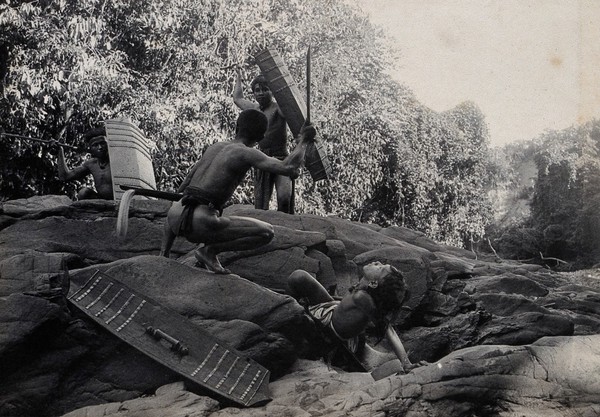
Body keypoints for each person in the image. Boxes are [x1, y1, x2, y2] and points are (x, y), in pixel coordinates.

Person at [160, 108, 315, 274]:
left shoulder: (215, 147)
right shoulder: (247, 153)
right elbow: (288, 167)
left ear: (236, 127)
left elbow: (186, 183)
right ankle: (209, 252)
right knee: (267, 232)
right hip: (201, 221)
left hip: (175, 215)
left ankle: (163, 254)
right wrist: (304, 141)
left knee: (182, 203)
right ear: (261, 137)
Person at [286, 261, 421, 374]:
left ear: (374, 283)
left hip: (328, 329)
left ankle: (284, 313)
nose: (377, 262)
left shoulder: (364, 298)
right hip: (331, 308)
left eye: (379, 268)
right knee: (301, 277)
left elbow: (388, 329)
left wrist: (406, 363)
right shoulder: (364, 288)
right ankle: (290, 305)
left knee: (298, 277)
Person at [233, 69, 295, 213]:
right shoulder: (254, 109)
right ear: (253, 93)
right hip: (262, 159)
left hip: (281, 158)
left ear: (271, 91)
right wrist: (239, 77)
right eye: (257, 90)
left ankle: (286, 229)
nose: (260, 93)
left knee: (284, 197)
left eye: (265, 90)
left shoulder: (278, 108)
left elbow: (291, 113)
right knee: (260, 204)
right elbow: (237, 98)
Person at [57, 126, 113, 200]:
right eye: (95, 145)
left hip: (122, 201)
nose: (100, 147)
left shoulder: (117, 160)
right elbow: (64, 177)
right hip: (102, 201)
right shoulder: (91, 164)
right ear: (91, 148)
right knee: (83, 193)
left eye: (103, 143)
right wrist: (60, 151)